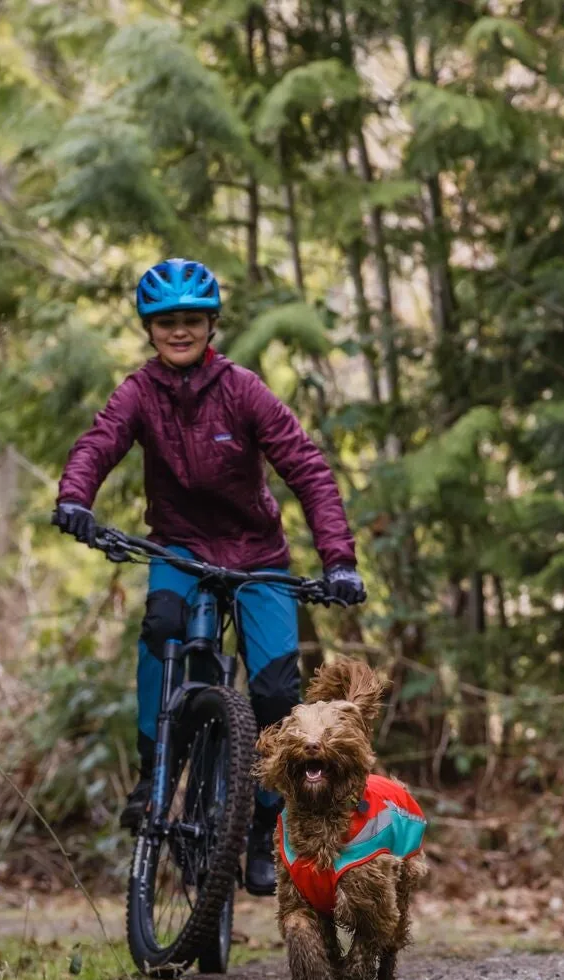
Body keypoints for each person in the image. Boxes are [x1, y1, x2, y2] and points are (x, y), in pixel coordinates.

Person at [50, 258, 365, 895]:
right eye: (166, 322)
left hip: (256, 556)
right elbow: (100, 441)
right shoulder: (138, 393)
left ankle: (264, 828)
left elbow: (306, 467)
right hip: (179, 548)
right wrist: (75, 499)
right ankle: (154, 773)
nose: (179, 332)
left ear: (211, 324)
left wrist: (339, 561)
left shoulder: (243, 389)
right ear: (149, 329)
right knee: (163, 628)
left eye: (191, 320)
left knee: (277, 693)